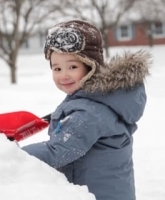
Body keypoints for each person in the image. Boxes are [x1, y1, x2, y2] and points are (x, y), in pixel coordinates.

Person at [22, 20, 151, 200]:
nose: (63, 75)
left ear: (91, 66)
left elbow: (57, 152)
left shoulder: (88, 113)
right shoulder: (99, 100)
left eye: (72, 67)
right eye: (56, 68)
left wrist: (13, 156)